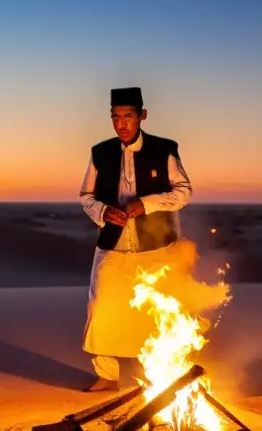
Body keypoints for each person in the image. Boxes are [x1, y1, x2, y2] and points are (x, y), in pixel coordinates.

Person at [78, 86, 193, 391]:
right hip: (113, 244)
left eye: (128, 116)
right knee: (102, 306)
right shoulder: (100, 152)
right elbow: (85, 195)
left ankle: (157, 371)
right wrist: (102, 212)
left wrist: (148, 204)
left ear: (142, 116)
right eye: (116, 117)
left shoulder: (164, 148)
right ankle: (106, 374)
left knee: (155, 310)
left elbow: (183, 191)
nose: (122, 123)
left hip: (156, 246)